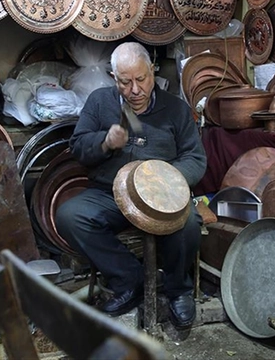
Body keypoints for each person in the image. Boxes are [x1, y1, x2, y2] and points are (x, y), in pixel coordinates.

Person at [55, 41, 206, 329]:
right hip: (110, 193)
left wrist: (167, 180)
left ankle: (178, 290)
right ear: (114, 78)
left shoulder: (176, 109)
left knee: (187, 224)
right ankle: (129, 279)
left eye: (141, 79)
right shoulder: (100, 102)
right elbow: (78, 147)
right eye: (125, 82)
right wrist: (105, 142)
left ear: (153, 70)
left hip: (162, 195)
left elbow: (195, 158)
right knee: (70, 216)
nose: (135, 90)